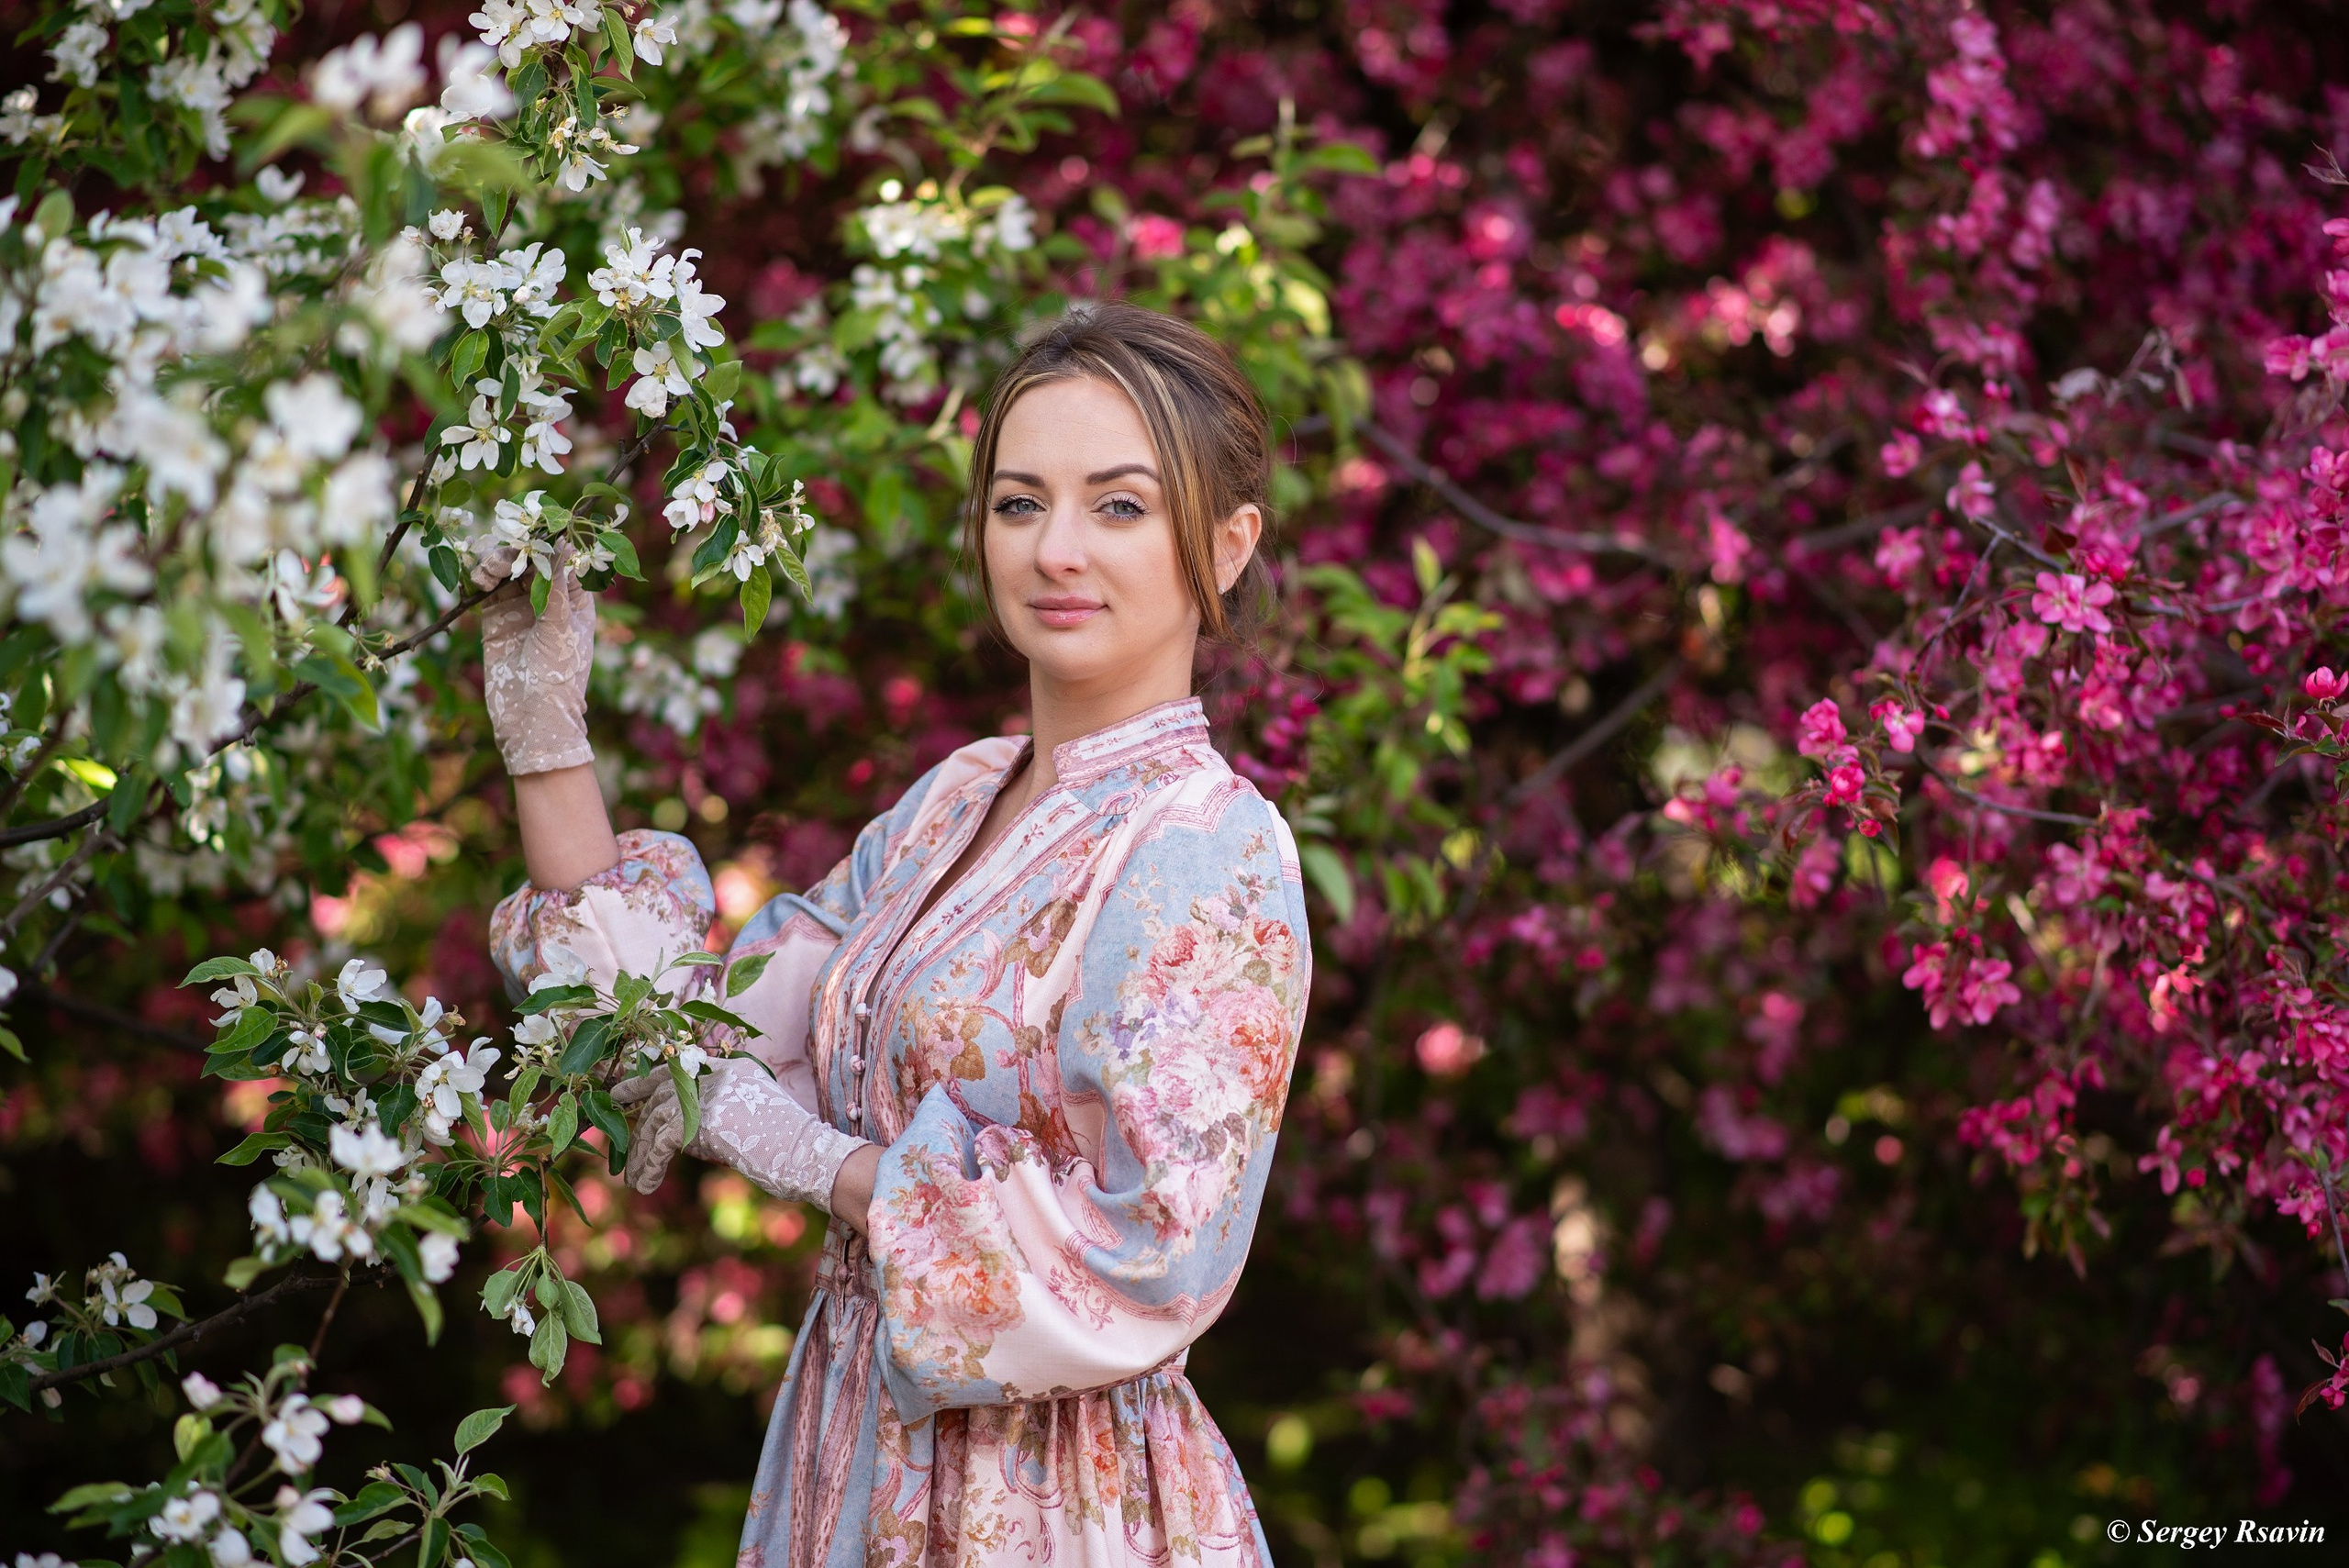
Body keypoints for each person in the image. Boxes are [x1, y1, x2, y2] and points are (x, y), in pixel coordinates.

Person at [480, 302, 1312, 1568]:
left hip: (1055, 1502)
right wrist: (547, 733)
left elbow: (1155, 1256)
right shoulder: (956, 802)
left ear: (1229, 541)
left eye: (1121, 505)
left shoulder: (1209, 845)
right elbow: (667, 1029)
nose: (1058, 549)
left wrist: (830, 1170)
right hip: (852, 1446)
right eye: (1021, 503)